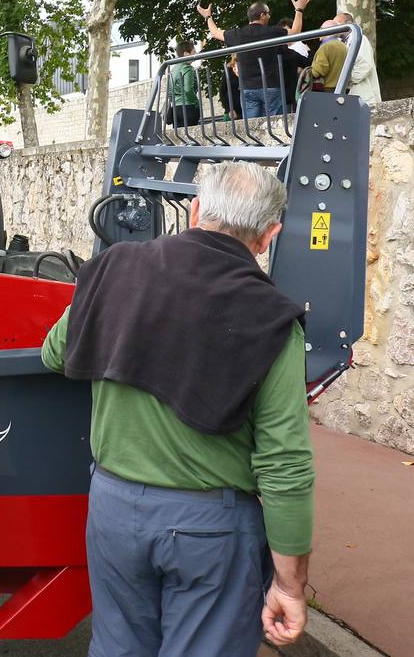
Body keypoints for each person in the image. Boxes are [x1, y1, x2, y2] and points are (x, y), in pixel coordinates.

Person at [41, 161, 313, 654]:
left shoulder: (112, 267)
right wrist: (289, 584)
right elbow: (284, 464)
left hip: (114, 512)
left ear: (194, 211)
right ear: (269, 236)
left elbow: (55, 352)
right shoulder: (272, 319)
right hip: (209, 532)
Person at [198, 0, 309, 119]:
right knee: (276, 127)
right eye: (268, 13)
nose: (269, 16)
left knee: (252, 129)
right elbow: (295, 32)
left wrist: (208, 17)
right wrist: (299, 10)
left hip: (247, 89)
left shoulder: (238, 34)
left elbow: (214, 33)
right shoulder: (272, 32)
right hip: (271, 86)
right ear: (262, 15)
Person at [310, 13, 383, 104]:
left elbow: (364, 65)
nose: (335, 26)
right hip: (350, 94)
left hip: (362, 93)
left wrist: (344, 77)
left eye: (337, 23)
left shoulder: (360, 40)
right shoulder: (340, 43)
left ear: (348, 24)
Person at [165, 41, 202, 129]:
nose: (196, 54)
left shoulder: (174, 69)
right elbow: (188, 90)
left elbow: (169, 92)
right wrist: (196, 103)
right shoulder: (187, 68)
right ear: (186, 53)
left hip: (175, 109)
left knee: (180, 139)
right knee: (191, 138)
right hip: (188, 108)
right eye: (193, 52)